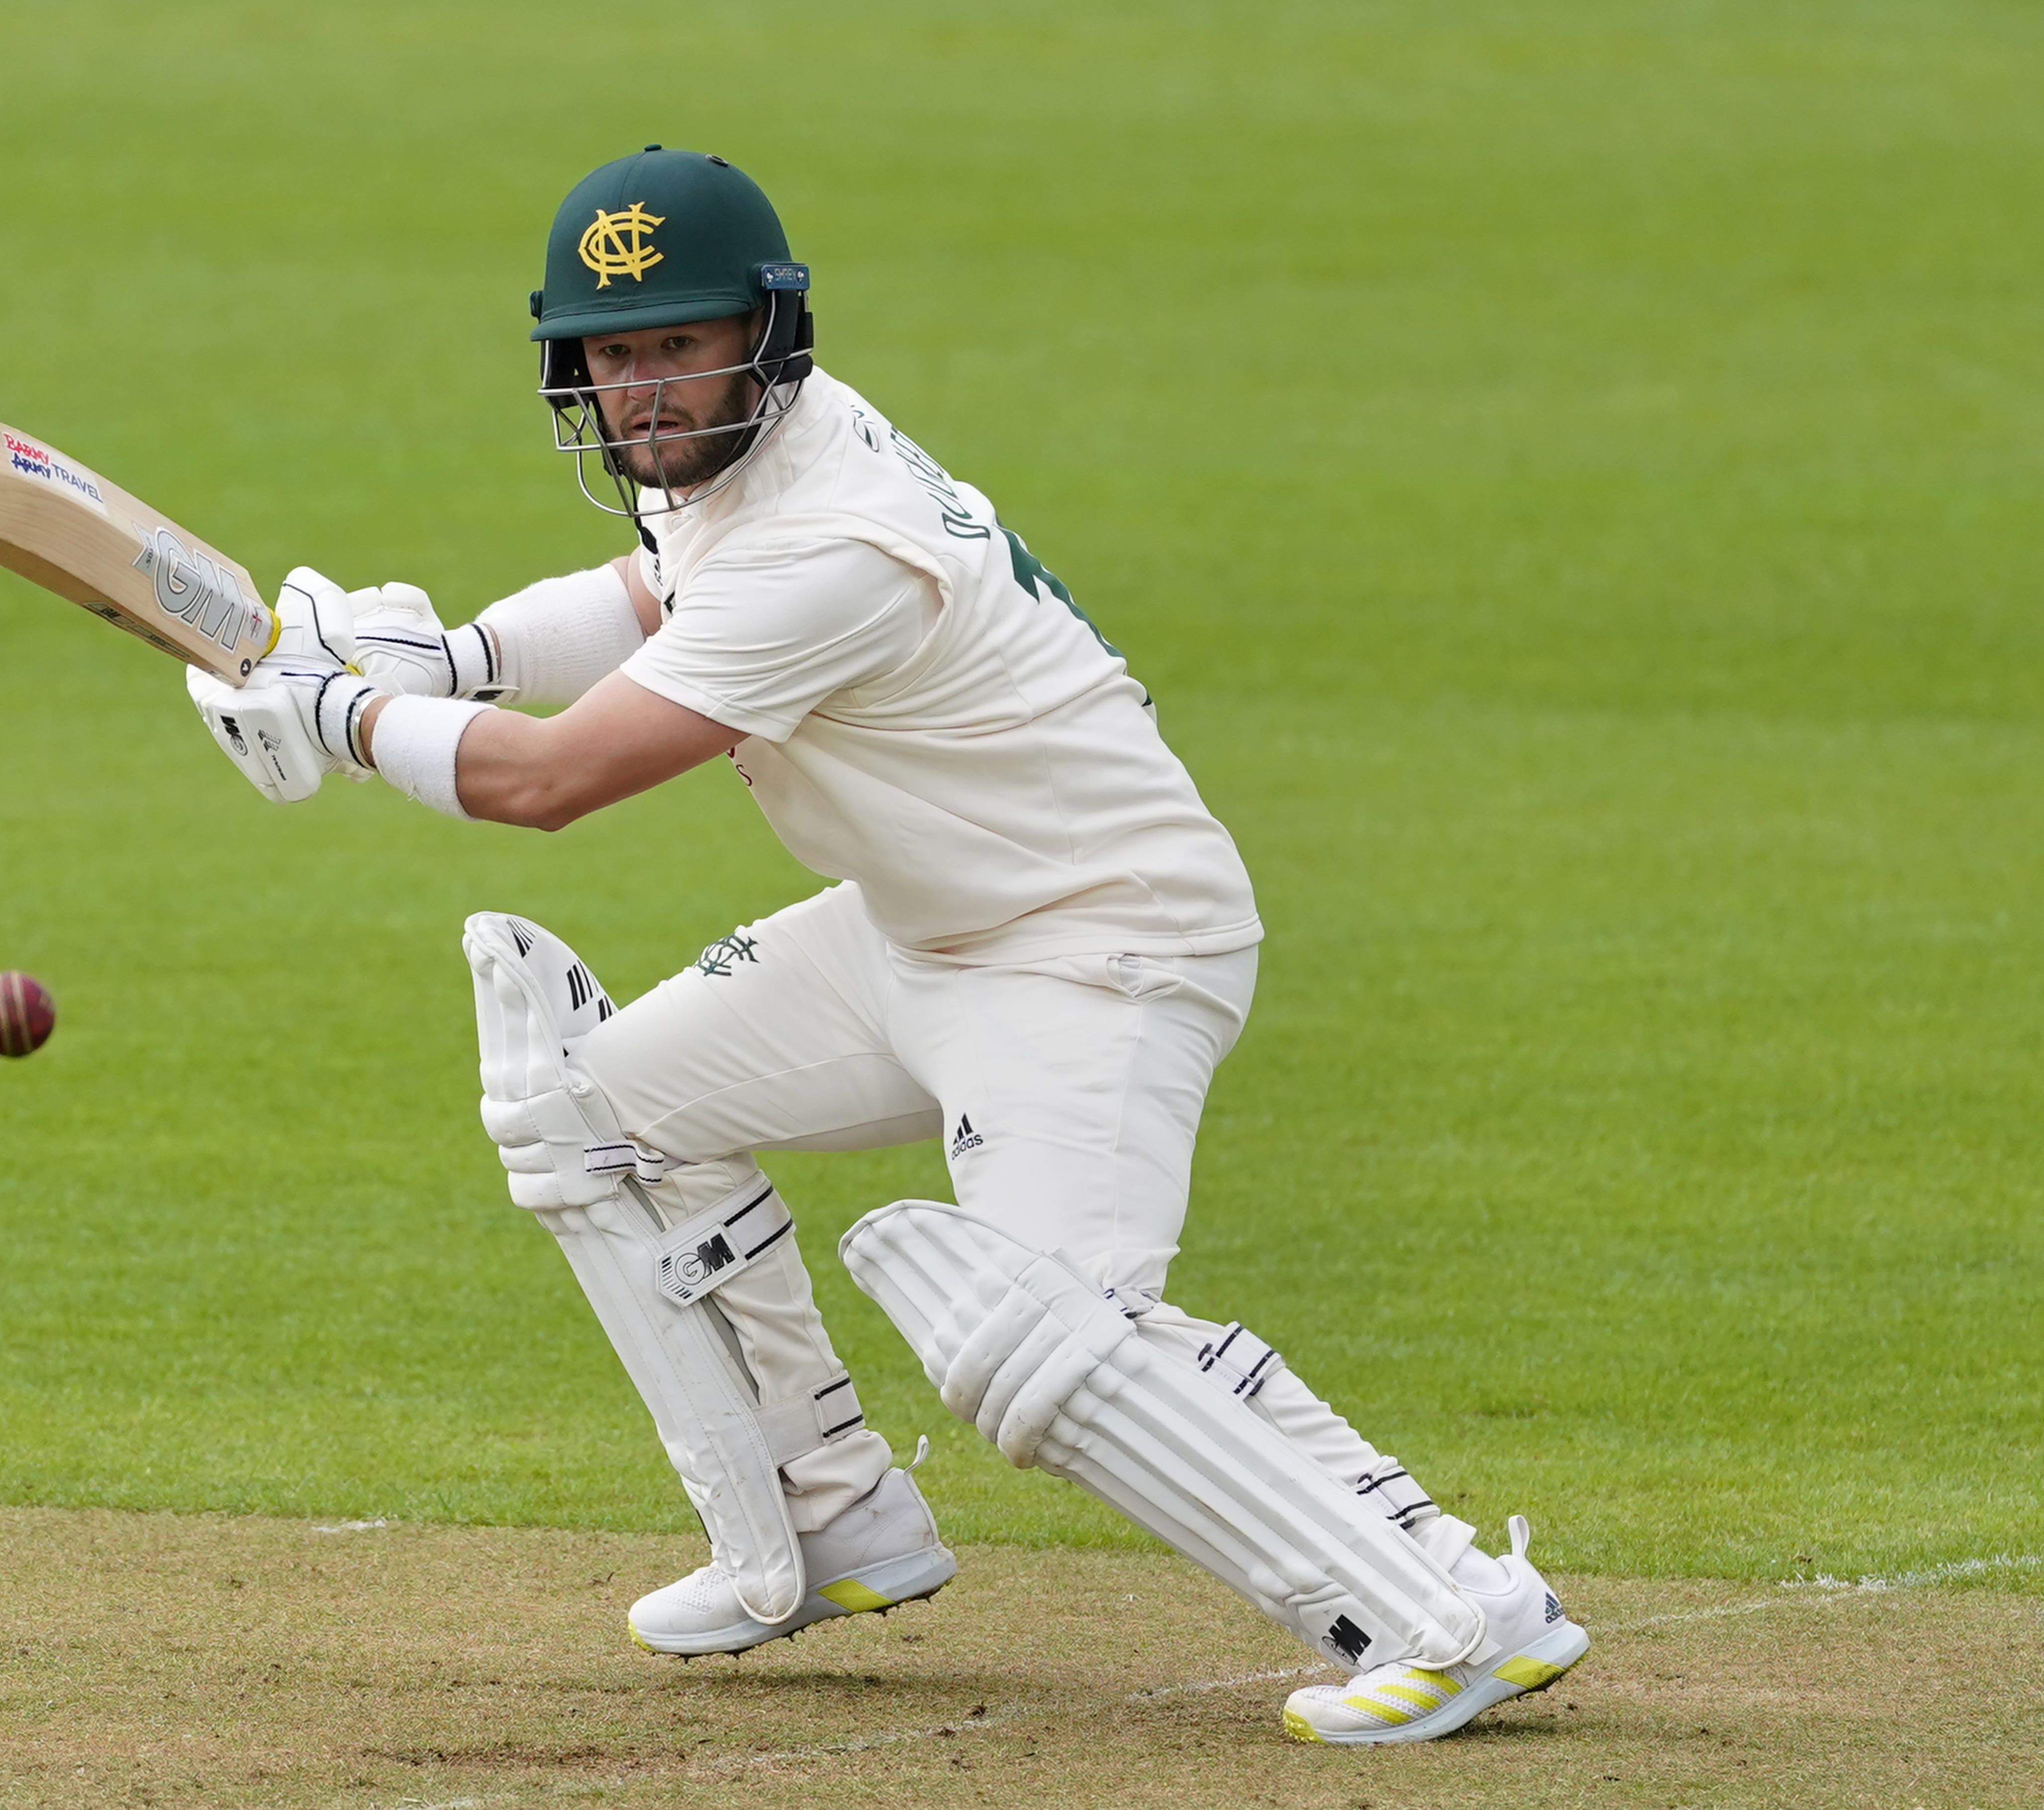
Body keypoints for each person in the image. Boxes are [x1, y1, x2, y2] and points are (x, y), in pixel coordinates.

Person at [187, 146, 1589, 1745]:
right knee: (598, 1111)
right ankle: (827, 1513)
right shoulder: (739, 468)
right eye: (612, 351)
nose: (641, 390)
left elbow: (552, 781)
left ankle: (1454, 1605)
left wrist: (352, 717)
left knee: (1051, 1349)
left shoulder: (837, 548)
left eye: (677, 345)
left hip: (1095, 944)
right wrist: (457, 651)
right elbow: (651, 595)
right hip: (921, 925)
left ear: (762, 339)